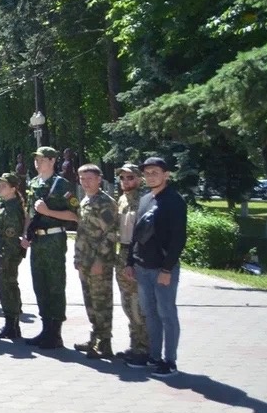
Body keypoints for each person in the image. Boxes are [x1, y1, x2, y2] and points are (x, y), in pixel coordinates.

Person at [126, 157, 187, 377]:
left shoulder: (174, 201)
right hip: (142, 268)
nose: (151, 176)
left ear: (166, 175)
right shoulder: (144, 199)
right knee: (150, 314)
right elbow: (136, 234)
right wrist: (130, 262)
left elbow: (178, 239)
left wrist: (167, 269)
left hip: (162, 270)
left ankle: (169, 361)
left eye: (155, 172)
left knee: (166, 314)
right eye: (147, 172)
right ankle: (154, 356)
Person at [22, 146, 77, 349]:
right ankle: (45, 329)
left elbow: (74, 215)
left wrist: (49, 211)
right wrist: (25, 234)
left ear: (53, 161)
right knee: (40, 285)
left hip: (54, 239)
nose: (37, 163)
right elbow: (30, 212)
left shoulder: (61, 185)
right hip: (37, 241)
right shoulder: (34, 183)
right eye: (36, 159)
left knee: (55, 284)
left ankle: (55, 333)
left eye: (42, 159)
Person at [71, 164, 119, 359]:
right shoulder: (85, 201)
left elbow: (111, 234)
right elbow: (81, 232)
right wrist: (78, 258)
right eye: (82, 179)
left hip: (100, 262)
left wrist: (99, 260)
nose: (86, 182)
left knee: (102, 303)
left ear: (99, 180)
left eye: (89, 178)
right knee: (90, 302)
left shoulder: (105, 203)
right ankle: (95, 337)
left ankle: (105, 343)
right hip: (85, 261)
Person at [115, 163, 149, 364]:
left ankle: (145, 349)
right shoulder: (121, 200)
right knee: (127, 303)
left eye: (130, 177)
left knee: (139, 304)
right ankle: (134, 345)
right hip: (122, 255)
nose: (126, 181)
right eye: (123, 178)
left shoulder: (145, 201)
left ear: (139, 179)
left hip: (136, 256)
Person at [0, 173, 27, 339]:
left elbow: (11, 237)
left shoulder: (12, 208)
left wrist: (6, 258)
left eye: (4, 185)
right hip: (4, 253)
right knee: (7, 286)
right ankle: (11, 325)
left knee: (7, 287)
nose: (0, 187)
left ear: (13, 188)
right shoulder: (6, 205)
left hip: (8, 254)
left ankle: (11, 326)